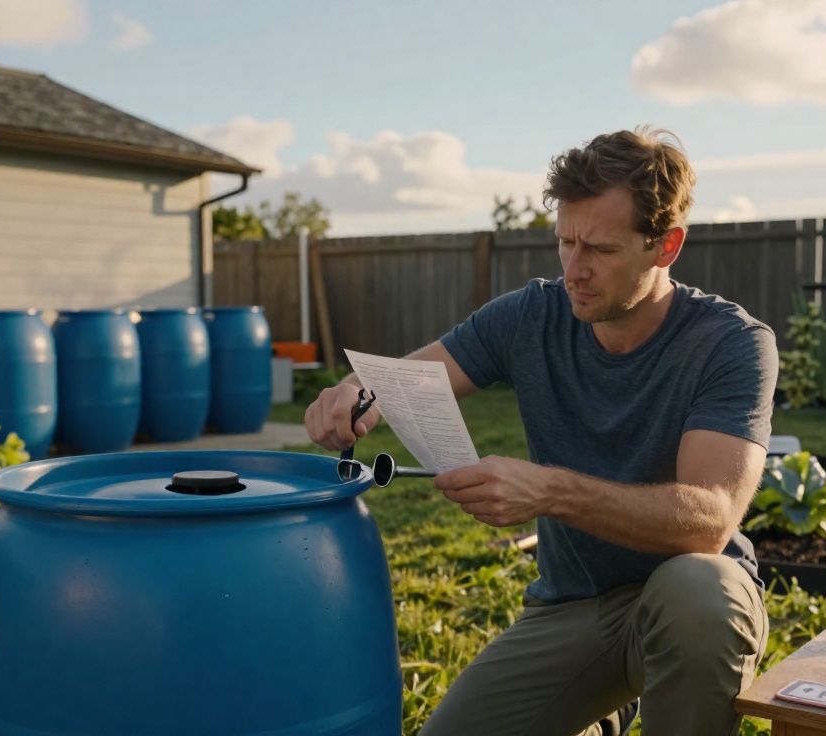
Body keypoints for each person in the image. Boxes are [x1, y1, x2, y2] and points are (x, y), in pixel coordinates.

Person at [305, 128, 778, 736]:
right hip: (574, 608)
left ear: (666, 246)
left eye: (601, 249)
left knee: (699, 587)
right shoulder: (532, 315)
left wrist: (551, 492)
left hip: (692, 604)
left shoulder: (731, 344)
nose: (575, 270)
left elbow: (711, 520)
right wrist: (354, 395)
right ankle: (599, 709)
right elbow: (404, 383)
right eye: (565, 242)